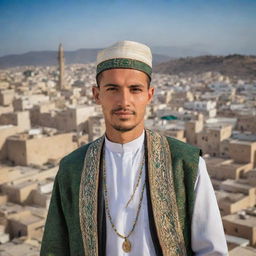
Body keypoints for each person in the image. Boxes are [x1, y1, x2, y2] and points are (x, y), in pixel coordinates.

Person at [40, 40, 228, 256]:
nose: (124, 101)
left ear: (149, 94)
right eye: (113, 89)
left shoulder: (185, 163)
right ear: (96, 94)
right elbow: (54, 248)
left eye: (135, 89)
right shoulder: (72, 169)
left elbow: (212, 251)